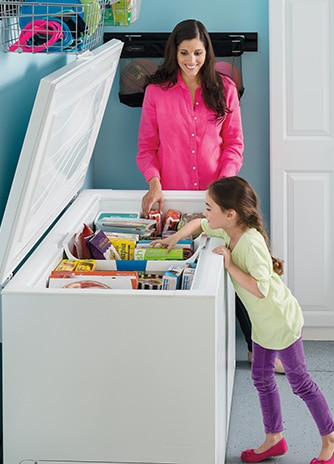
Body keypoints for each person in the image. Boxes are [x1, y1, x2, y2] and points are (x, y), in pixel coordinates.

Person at [150, 176, 334, 464]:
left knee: (301, 384)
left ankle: (330, 441)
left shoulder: (249, 242)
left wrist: (229, 264)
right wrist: (174, 239)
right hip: (263, 325)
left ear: (230, 213)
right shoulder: (229, 230)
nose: (205, 212)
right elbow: (198, 223)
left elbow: (261, 288)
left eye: (210, 207)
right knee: (261, 377)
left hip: (280, 322)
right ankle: (274, 438)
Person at [136, 18, 284, 373]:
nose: (191, 60)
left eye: (198, 53)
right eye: (184, 53)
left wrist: (221, 189)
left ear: (207, 52)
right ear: (174, 52)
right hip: (176, 199)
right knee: (182, 267)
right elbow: (146, 147)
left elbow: (234, 144)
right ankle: (183, 354)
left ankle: (257, 349)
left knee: (241, 269)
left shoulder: (224, 89)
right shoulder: (156, 92)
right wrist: (154, 182)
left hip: (221, 201)